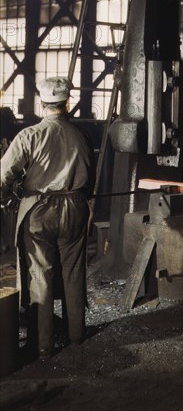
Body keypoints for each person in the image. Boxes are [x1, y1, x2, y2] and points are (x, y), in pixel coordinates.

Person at [0, 77, 95, 359]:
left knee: (40, 275)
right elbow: (90, 176)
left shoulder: (30, 136)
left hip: (39, 210)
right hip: (76, 207)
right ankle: (77, 337)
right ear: (67, 103)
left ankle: (43, 347)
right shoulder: (81, 136)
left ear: (42, 104)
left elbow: (4, 175)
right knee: (73, 272)